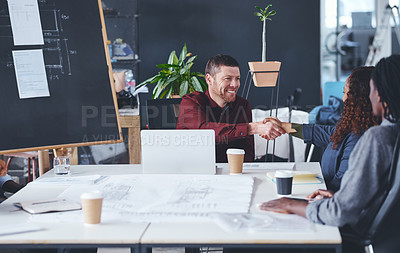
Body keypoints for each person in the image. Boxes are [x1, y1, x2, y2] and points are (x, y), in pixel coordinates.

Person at [259, 55, 400, 252]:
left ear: (379, 94)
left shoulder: (377, 137)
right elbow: (326, 134)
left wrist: (292, 204)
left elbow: (340, 212)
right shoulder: (391, 132)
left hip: (345, 232)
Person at [273, 66, 380, 191]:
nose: (344, 99)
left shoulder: (358, 138)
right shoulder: (353, 127)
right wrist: (283, 126)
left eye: (346, 93)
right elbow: (324, 133)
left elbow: (340, 186)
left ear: (360, 98)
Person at [176, 54, 285, 162]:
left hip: (231, 174)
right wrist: (253, 128)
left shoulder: (243, 105)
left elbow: (247, 152)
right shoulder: (191, 102)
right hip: (193, 172)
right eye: (228, 78)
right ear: (209, 79)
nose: (234, 84)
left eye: (237, 78)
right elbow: (205, 133)